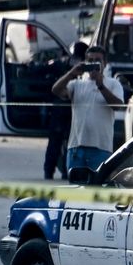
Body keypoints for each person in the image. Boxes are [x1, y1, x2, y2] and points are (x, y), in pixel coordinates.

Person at [51, 45, 123, 178]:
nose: (93, 64)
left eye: (97, 61)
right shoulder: (77, 84)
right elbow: (56, 90)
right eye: (90, 61)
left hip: (101, 149)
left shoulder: (113, 84)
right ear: (85, 62)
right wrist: (71, 74)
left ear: (105, 63)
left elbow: (117, 106)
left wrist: (101, 86)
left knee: (97, 188)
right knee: (75, 188)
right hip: (76, 149)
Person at [43, 41, 88, 180]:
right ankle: (59, 171)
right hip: (68, 109)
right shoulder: (82, 67)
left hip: (65, 109)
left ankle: (53, 171)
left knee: (58, 142)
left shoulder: (65, 63)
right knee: (64, 142)